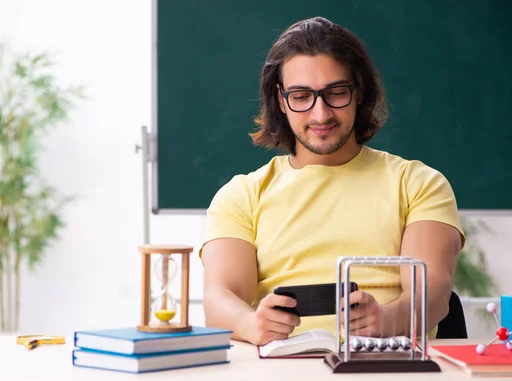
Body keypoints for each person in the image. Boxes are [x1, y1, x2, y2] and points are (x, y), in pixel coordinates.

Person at [199, 16, 464, 346]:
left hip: (388, 369)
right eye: (300, 96)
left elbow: (433, 292)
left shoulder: (419, 184)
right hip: (278, 376)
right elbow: (219, 299)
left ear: (359, 92)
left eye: (336, 92)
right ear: (281, 100)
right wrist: (251, 323)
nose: (320, 114)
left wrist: (386, 320)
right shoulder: (241, 195)